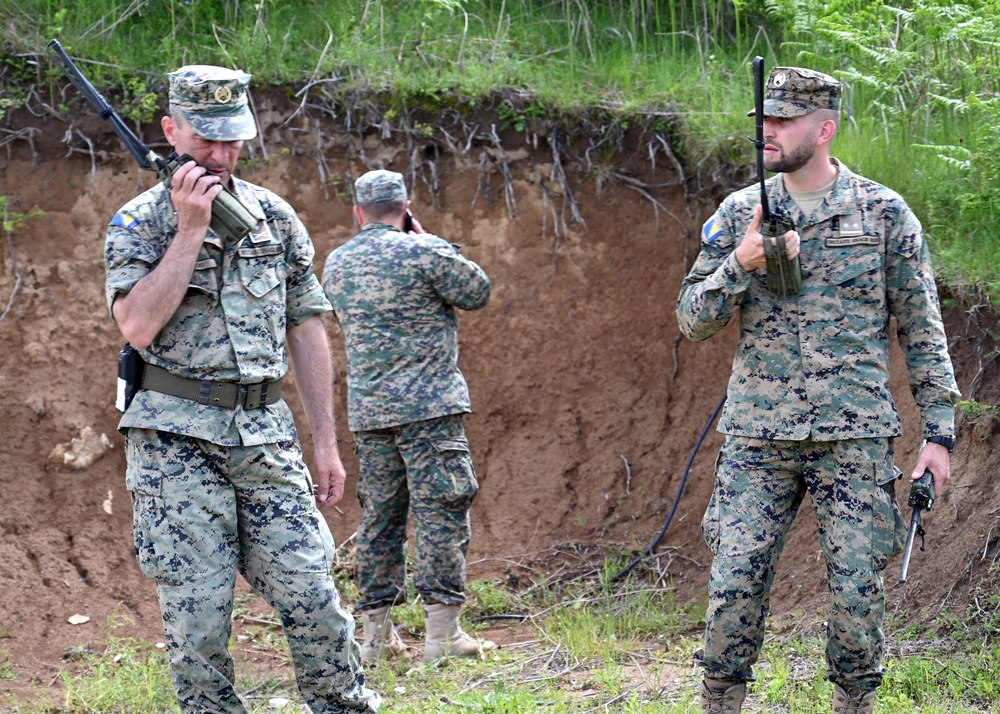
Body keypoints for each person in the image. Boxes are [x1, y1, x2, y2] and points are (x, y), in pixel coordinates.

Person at [676, 66, 960, 714]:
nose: (767, 131)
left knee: (859, 596)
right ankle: (721, 702)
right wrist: (737, 265)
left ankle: (853, 705)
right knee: (732, 588)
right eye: (764, 120)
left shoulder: (885, 214)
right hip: (758, 435)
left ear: (824, 128)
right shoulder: (740, 213)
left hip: (853, 436)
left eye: (783, 121)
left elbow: (923, 330)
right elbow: (692, 319)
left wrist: (939, 436)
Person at [105, 65, 381, 713]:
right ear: (171, 131)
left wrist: (326, 443)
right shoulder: (138, 223)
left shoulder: (272, 218)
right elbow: (138, 325)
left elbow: (306, 328)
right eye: (206, 142)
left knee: (313, 596)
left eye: (234, 140)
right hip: (174, 444)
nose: (222, 156)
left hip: (265, 438)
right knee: (199, 621)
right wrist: (191, 227)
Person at [321, 169, 494, 663]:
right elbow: (477, 291)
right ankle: (442, 637)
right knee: (440, 511)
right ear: (406, 206)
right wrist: (431, 241)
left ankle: (375, 638)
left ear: (358, 212)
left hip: (371, 413)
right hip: (429, 410)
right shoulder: (425, 250)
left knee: (381, 517)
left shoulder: (337, 263)